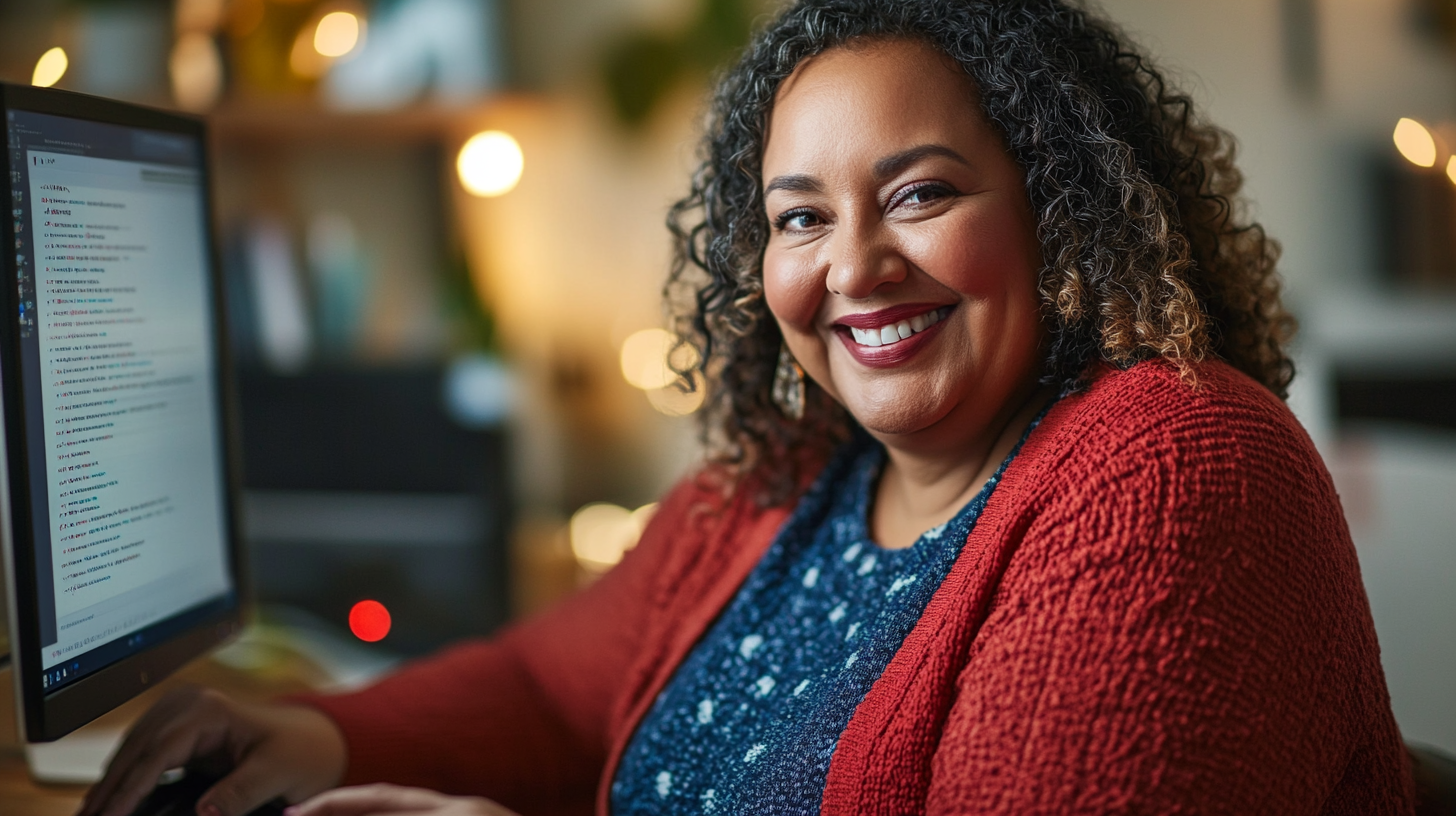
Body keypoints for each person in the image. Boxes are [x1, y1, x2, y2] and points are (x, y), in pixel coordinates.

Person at [83, 1, 1416, 814]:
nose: (852, 268)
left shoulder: (1173, 468)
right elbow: (554, 692)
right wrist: (314, 730)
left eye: (920, 194)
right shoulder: (787, 478)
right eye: (799, 219)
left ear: (1060, 221)